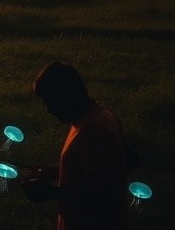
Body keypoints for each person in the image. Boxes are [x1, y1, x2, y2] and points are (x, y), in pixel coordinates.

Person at [22, 61, 129, 230]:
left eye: (50, 102)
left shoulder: (93, 130)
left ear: (67, 97)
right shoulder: (99, 115)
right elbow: (114, 164)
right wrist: (54, 171)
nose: (49, 110)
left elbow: (101, 195)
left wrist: (51, 192)